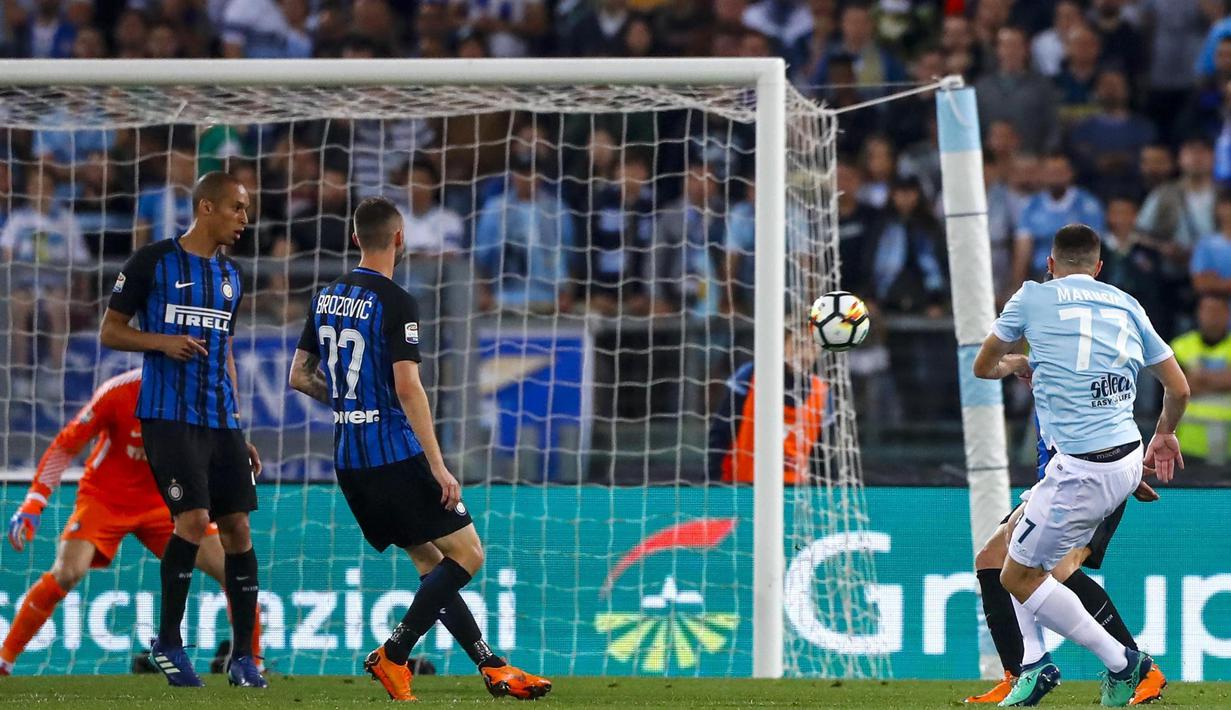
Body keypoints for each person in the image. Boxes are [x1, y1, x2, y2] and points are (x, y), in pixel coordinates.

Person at [288, 197, 551, 702]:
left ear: (354, 238)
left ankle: (492, 667)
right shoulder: (396, 300)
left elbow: (299, 375)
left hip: (350, 460)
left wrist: (349, 401)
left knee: (432, 565)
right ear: (401, 238)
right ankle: (394, 652)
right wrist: (438, 464)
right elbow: (408, 387)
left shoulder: (325, 297)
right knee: (469, 555)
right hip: (396, 455)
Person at [974, 223, 1190, 707]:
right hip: (1125, 456)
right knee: (1003, 553)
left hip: (1081, 470)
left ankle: (1127, 665)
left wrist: (1015, 364)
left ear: (1050, 266)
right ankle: (1030, 667)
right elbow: (1179, 390)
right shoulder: (1126, 303)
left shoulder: (1031, 298)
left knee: (1023, 576)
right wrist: (1164, 434)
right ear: (1098, 269)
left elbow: (983, 367)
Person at [99, 171, 264, 688]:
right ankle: (168, 641)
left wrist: (239, 426)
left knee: (238, 529)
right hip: (169, 417)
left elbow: (227, 351)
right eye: (237, 208)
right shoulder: (152, 262)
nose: (244, 219)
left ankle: (242, 658)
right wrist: (161, 342)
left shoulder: (233, 277)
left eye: (247, 210)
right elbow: (110, 331)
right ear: (206, 206)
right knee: (194, 521)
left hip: (221, 421)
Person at [0, 370, 261, 676]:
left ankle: (251, 661)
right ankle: (4, 660)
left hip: (166, 501)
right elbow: (65, 444)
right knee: (67, 572)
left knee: (231, 569)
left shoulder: (195, 394)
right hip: (105, 497)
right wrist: (35, 500)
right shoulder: (118, 391)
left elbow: (217, 437)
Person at [963, 418, 1166, 706]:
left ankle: (1139, 671)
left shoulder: (1062, 378)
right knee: (992, 558)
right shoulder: (1045, 385)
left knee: (1059, 567)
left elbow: (1102, 417)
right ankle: (1018, 673)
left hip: (1088, 486)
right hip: (1058, 485)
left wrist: (1125, 468)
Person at [707, 324, 827, 484]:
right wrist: (712, 480)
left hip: (794, 489)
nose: (805, 354)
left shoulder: (822, 392)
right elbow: (721, 432)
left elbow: (824, 452)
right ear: (783, 343)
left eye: (813, 346)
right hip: (744, 486)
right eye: (799, 344)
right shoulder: (750, 375)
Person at [1170, 296, 1231, 461]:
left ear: (1227, 314)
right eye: (1208, 311)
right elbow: (1177, 387)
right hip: (1190, 445)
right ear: (1199, 313)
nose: (1213, 317)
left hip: (1228, 445)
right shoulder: (1181, 345)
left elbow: (1188, 383)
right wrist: (1223, 378)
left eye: (1218, 311)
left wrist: (1199, 376)